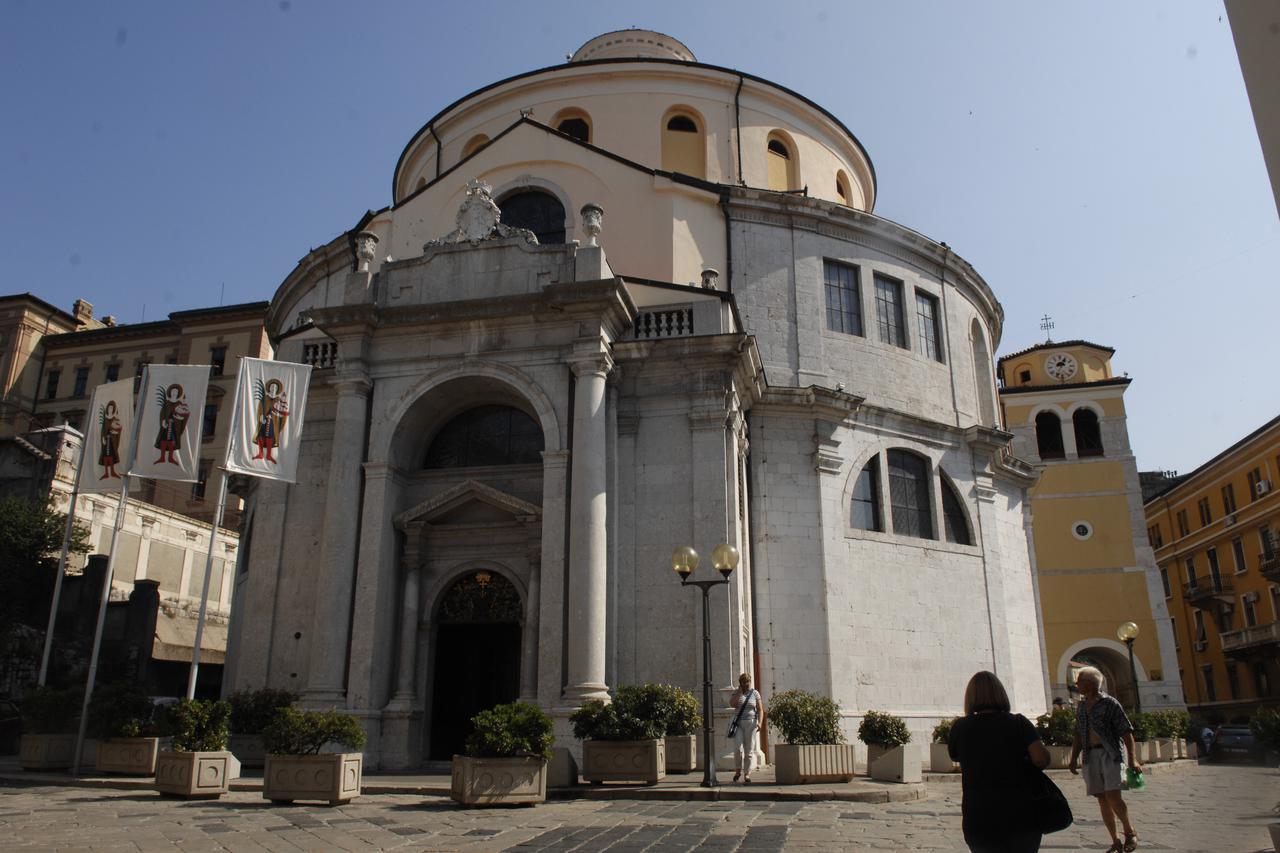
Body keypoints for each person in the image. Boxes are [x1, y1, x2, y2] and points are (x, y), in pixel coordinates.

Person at [947, 670, 1050, 853]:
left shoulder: (960, 727)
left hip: (979, 811)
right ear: (1001, 693)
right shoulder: (1018, 723)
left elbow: (954, 755)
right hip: (1019, 810)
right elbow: (1041, 759)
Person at [1068, 666, 1142, 853]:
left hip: (1111, 753)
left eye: (1080, 682)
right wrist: (1073, 757)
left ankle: (1129, 831)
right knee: (1101, 798)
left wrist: (1133, 759)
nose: (1077, 685)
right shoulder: (1082, 706)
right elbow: (1078, 733)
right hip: (1090, 755)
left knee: (1113, 795)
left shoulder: (1110, 703)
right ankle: (1115, 840)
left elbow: (1126, 732)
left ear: (1091, 683)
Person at [729, 672, 765, 783]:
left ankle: (747, 774)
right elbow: (732, 704)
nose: (747, 684)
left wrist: (760, 723)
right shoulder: (737, 693)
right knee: (737, 749)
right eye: (744, 682)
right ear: (741, 683)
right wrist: (740, 692)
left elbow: (760, 709)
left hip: (751, 723)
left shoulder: (755, 693)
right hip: (739, 724)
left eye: (748, 681)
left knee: (749, 750)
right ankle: (738, 771)